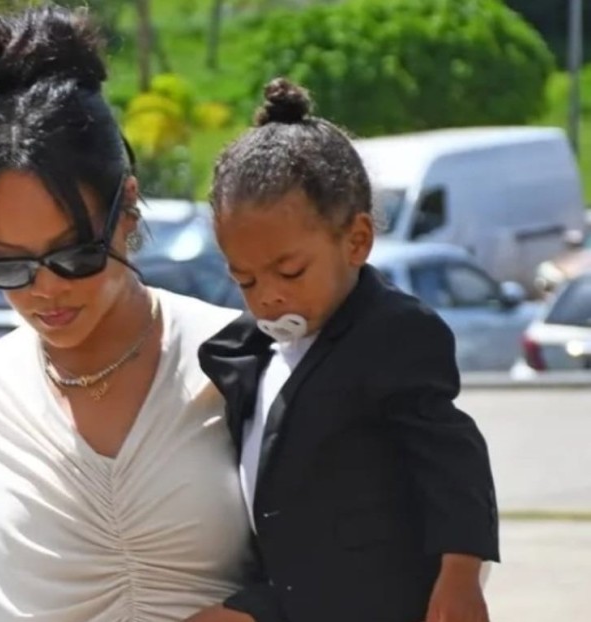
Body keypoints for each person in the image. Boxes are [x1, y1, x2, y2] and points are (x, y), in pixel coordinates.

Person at [0, 6, 251, 621]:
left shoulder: (246, 362)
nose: (45, 289)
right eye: (7, 265)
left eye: (75, 255)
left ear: (127, 207)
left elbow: (360, 555)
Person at [191, 79, 500, 622]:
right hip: (290, 594)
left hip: (382, 598)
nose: (268, 296)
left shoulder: (394, 334)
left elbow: (454, 459)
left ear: (356, 241)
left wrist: (460, 576)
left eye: (290, 271)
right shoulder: (247, 351)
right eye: (246, 280)